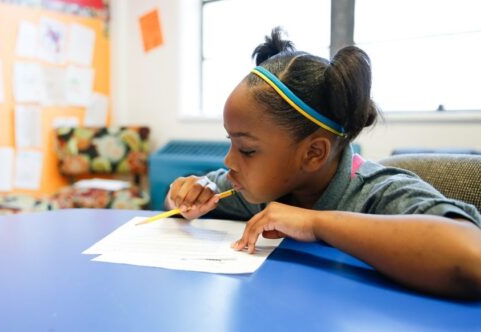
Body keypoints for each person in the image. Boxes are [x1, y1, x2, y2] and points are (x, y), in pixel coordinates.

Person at [165, 27, 481, 299]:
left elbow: (471, 255)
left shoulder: (376, 193)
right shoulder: (257, 188)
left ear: (314, 153)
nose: (229, 160)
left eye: (246, 150)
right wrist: (186, 195)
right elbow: (182, 203)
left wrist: (316, 223)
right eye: (229, 141)